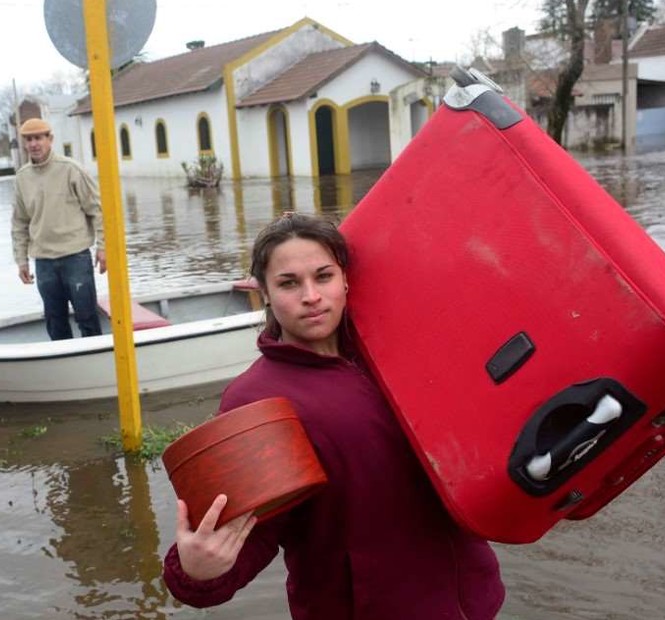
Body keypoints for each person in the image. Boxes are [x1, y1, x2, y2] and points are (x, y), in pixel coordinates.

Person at [162, 213, 505, 619]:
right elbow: (253, 529)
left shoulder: (398, 349)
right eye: (289, 283)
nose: (311, 296)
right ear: (265, 293)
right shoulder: (256, 398)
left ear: (344, 280)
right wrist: (196, 571)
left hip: (472, 597)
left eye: (323, 276)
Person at [11, 118, 107, 340]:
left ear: (50, 139)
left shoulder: (71, 170)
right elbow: (19, 223)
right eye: (29, 140)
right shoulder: (22, 178)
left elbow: (97, 210)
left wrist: (103, 248)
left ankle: (94, 357)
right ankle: (65, 359)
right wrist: (21, 260)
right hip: (43, 261)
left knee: (87, 317)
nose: (34, 144)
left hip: (76, 257)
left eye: (38, 138)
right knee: (54, 321)